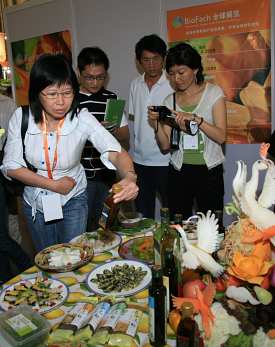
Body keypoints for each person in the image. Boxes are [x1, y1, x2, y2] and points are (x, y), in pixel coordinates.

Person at [1, 54, 138, 252]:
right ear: (37, 92)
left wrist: (130, 177)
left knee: (73, 254)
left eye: (67, 93)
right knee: (47, 256)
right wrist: (53, 185)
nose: (61, 102)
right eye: (52, 94)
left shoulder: (81, 118)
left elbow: (115, 152)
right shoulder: (22, 117)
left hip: (74, 197)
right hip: (36, 201)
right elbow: (11, 166)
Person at [148, 43, 227, 220]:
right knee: (179, 223)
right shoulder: (170, 101)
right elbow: (165, 145)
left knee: (211, 224)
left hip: (209, 171)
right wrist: (156, 124)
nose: (177, 78)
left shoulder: (213, 93)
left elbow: (221, 136)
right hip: (179, 171)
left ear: (196, 69)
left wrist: (197, 120)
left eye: (181, 72)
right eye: (172, 74)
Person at [77, 47, 129, 230]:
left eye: (100, 77)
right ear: (79, 73)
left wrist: (112, 130)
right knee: (83, 226)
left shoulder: (111, 99)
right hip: (80, 176)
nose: (95, 82)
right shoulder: (70, 99)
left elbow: (125, 136)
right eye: (89, 77)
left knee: (106, 223)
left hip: (107, 174)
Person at [129, 34, 173, 219]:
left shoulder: (172, 84)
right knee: (142, 215)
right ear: (139, 62)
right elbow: (136, 119)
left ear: (163, 59)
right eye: (146, 60)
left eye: (156, 59)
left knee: (171, 212)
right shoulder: (135, 84)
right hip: (140, 160)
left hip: (167, 160)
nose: (152, 64)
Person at [0, 93, 32, 283]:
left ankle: (29, 270)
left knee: (2, 237)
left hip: (4, 172)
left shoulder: (7, 104)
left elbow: (13, 141)